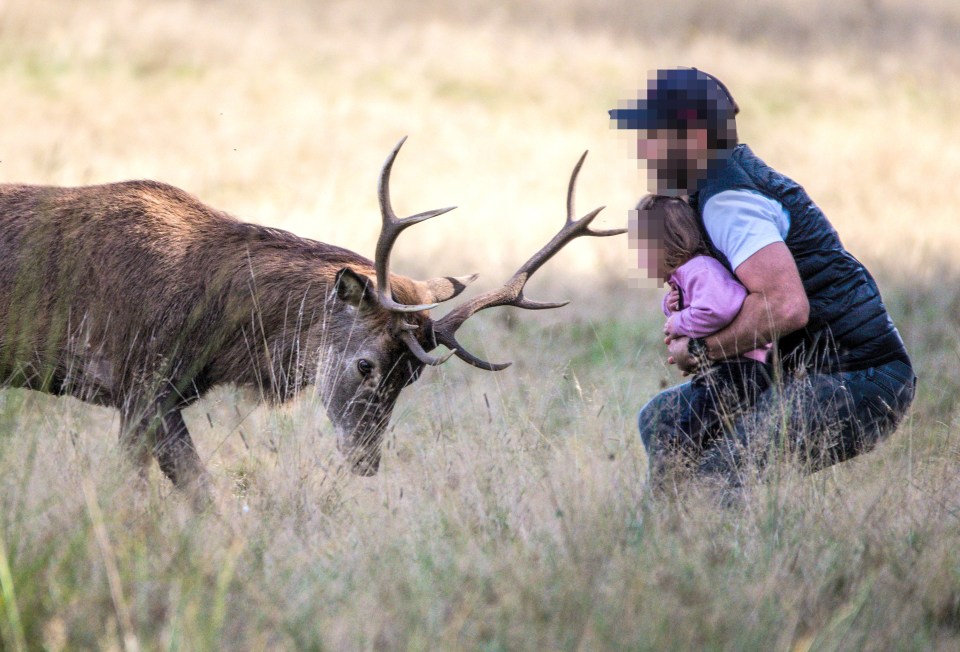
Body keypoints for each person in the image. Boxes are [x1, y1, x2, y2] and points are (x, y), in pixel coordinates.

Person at [610, 68, 916, 492]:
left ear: (695, 137)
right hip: (815, 375)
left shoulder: (728, 200)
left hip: (858, 378)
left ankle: (708, 549)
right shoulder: (716, 186)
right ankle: (659, 539)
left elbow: (786, 306)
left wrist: (699, 348)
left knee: (717, 481)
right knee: (661, 420)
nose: (642, 148)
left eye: (652, 133)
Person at [634, 194, 771, 485]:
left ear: (668, 244)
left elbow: (717, 309)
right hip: (722, 372)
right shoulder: (686, 276)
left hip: (737, 372)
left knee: (688, 440)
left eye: (644, 250)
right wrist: (672, 306)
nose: (640, 260)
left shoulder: (701, 270)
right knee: (686, 432)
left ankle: (676, 492)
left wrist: (677, 321)